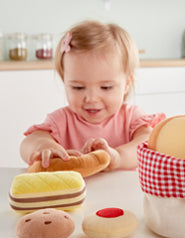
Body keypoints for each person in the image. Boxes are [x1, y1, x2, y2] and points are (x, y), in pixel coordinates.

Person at [20, 20, 164, 171]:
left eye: (106, 87)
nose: (91, 98)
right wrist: (45, 147)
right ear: (65, 82)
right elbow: (29, 142)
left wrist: (118, 157)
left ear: (127, 83)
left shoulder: (131, 118)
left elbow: (148, 144)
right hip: (74, 193)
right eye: (78, 87)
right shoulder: (61, 121)